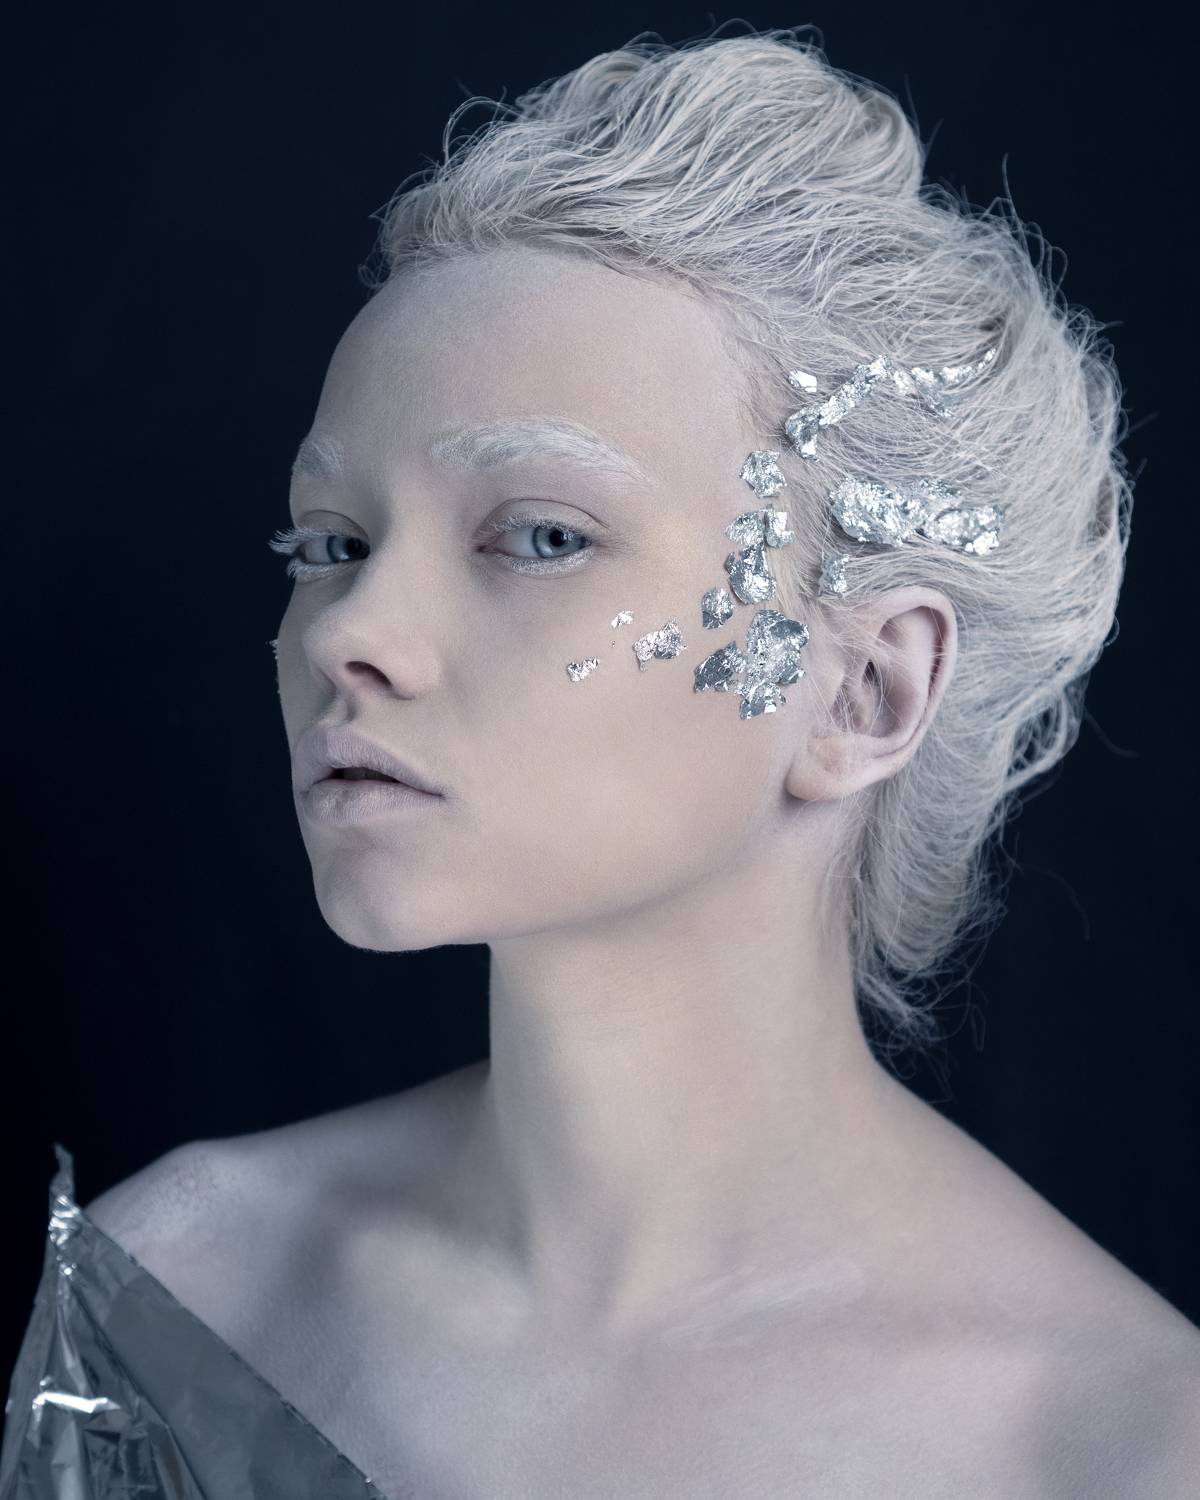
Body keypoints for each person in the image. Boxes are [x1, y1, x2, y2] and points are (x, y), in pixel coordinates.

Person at [4, 27, 1198, 1500]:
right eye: (331, 544)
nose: (350, 632)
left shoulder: (1115, 1450)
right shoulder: (177, 1294)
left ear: (866, 689)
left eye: (542, 535)